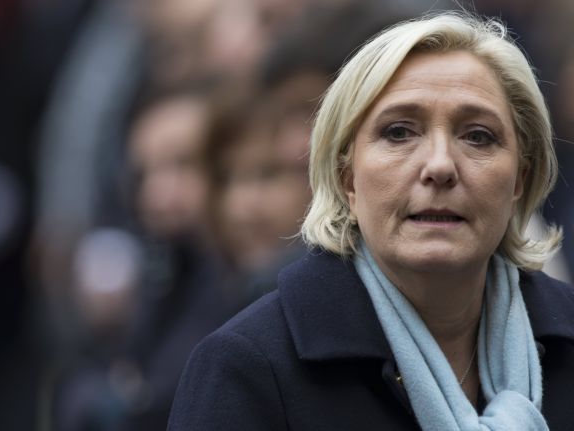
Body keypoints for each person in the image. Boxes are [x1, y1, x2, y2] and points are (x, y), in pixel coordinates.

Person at [167, 12, 574, 430]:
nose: (439, 166)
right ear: (347, 178)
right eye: (399, 132)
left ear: (520, 179)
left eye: (477, 136)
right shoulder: (248, 368)